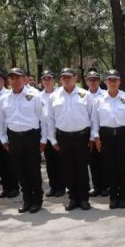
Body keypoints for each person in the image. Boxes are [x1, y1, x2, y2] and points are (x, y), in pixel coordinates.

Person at [45, 67, 99, 211]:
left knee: (81, 168)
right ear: (60, 79)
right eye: (64, 77)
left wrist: (93, 137)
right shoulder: (54, 96)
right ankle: (73, 198)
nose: (66, 79)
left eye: (69, 77)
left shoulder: (85, 95)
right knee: (68, 169)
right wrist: (53, 140)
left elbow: (93, 118)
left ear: (75, 78)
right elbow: (49, 120)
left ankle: (84, 198)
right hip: (63, 138)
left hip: (82, 137)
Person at [0, 68, 46, 214]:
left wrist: (43, 139)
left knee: (34, 171)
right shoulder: (4, 99)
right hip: (14, 138)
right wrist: (3, 139)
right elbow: (0, 121)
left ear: (24, 79)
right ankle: (27, 200)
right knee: (21, 171)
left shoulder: (34, 95)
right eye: (12, 78)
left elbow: (43, 119)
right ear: (8, 80)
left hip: (31, 137)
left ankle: (37, 200)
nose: (15, 81)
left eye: (18, 78)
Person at [96, 69, 125, 208]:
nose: (112, 82)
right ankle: (113, 197)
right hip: (106, 136)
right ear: (106, 82)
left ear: (119, 81)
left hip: (122, 136)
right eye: (110, 80)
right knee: (110, 168)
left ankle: (122, 197)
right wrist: (96, 138)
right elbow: (95, 121)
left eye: (115, 80)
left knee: (121, 168)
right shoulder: (99, 100)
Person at [0, 70, 19, 200]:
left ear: (2, 81)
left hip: (7, 134)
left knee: (10, 163)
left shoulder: (8, 95)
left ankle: (14, 187)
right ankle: (5, 187)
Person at [39, 70, 64, 198]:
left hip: (58, 133)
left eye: (49, 78)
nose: (47, 81)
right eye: (44, 79)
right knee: (50, 163)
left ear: (54, 80)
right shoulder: (38, 96)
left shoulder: (60, 94)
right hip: (45, 134)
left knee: (60, 162)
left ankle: (61, 187)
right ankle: (53, 187)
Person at [84, 68, 108, 197]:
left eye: (95, 80)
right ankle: (96, 186)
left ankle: (105, 187)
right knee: (92, 161)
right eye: (90, 80)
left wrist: (97, 135)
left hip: (102, 133)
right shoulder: (83, 95)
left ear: (99, 81)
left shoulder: (105, 94)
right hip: (88, 134)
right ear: (87, 82)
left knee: (104, 161)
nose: (92, 82)